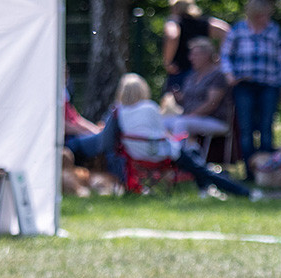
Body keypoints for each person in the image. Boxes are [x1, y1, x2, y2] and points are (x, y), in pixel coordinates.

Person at [69, 73, 257, 199]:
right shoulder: (149, 107)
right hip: (161, 154)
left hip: (136, 156)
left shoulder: (117, 112)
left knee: (195, 161)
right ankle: (241, 192)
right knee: (199, 164)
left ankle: (205, 189)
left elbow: (108, 141)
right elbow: (161, 135)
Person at [222, 0, 281, 180]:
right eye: (261, 16)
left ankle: (267, 173)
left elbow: (280, 60)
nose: (265, 19)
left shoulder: (274, 31)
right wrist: (230, 75)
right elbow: (226, 55)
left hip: (269, 85)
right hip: (244, 85)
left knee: (267, 128)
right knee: (246, 130)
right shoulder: (238, 30)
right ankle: (250, 173)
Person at [161, 0, 230, 94]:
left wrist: (168, 62)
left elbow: (172, 36)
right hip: (204, 73)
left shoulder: (174, 22)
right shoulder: (203, 22)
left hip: (180, 72)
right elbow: (226, 31)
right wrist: (219, 56)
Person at [165, 37, 233, 141]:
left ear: (206, 56)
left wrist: (192, 115)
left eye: (195, 55)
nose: (190, 58)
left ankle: (179, 156)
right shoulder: (191, 76)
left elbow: (212, 103)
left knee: (180, 123)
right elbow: (186, 101)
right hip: (190, 118)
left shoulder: (217, 75)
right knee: (162, 122)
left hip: (214, 120)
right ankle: (160, 156)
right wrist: (178, 97)